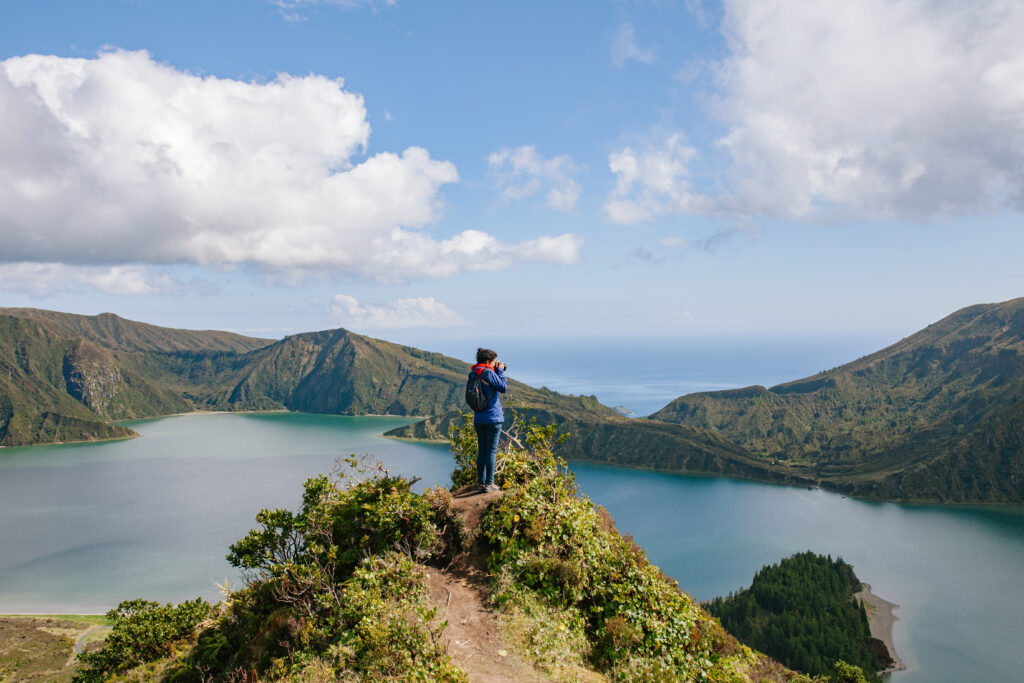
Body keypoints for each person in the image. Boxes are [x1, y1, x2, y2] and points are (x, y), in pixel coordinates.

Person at [470, 347, 507, 493]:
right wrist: (500, 371)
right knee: (491, 451)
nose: (496, 364)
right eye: (495, 362)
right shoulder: (489, 372)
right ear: (488, 361)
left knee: (482, 450)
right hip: (493, 418)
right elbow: (503, 387)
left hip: (479, 418)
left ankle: (481, 483)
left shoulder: (473, 373)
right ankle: (489, 484)